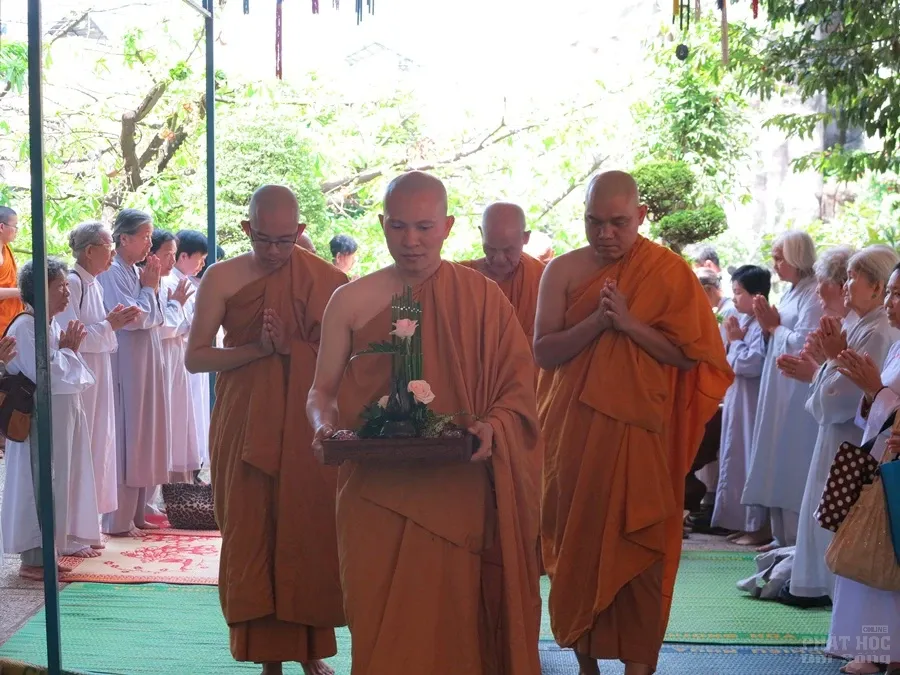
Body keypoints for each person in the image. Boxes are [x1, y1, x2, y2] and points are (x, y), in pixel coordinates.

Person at [307, 171, 542, 675]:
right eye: (398, 226)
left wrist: (493, 427)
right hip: (374, 494)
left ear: (448, 227)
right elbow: (321, 391)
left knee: (451, 633)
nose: (411, 240)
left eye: (424, 227)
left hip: (453, 492)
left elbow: (520, 394)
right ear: (381, 224)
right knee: (381, 633)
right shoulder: (350, 300)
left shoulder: (481, 299)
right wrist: (322, 426)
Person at [533, 171, 732, 675]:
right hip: (574, 435)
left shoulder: (667, 273)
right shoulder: (561, 271)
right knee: (578, 548)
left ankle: (639, 666)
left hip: (642, 437)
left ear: (641, 216)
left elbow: (689, 357)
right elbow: (544, 351)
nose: (605, 234)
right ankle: (586, 667)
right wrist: (597, 322)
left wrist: (627, 323)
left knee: (642, 548)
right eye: (594, 222)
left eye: (618, 223)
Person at [186, 185, 347, 675]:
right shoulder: (222, 277)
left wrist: (291, 347)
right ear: (246, 229)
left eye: (284, 240)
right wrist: (257, 349)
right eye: (263, 239)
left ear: (300, 231)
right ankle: (268, 659)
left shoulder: (325, 280)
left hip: (303, 420)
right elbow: (196, 358)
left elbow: (346, 358)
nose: (275, 251)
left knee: (304, 526)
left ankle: (309, 651)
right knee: (249, 529)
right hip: (243, 418)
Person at [780, 246, 898, 606]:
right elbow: (844, 394)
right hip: (850, 435)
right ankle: (816, 583)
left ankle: (823, 587)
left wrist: (827, 364)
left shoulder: (879, 332)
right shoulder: (863, 326)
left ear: (875, 287)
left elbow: (839, 401)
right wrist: (823, 364)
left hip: (859, 441)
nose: (846, 285)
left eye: (852, 277)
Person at [1, 258, 99, 578]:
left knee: (58, 480)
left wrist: (69, 351)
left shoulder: (49, 323)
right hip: (37, 419)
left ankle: (50, 549)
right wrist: (69, 352)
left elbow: (65, 369)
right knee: (39, 482)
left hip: (59, 415)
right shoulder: (26, 326)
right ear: (39, 290)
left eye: (67, 285)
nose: (67, 292)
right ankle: (34, 559)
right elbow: (46, 374)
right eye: (60, 286)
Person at [831, 264, 900, 675]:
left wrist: (876, 391)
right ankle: (880, 650)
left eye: (899, 294)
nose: (891, 302)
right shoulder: (897, 346)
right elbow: (880, 407)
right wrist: (870, 394)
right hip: (884, 458)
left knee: (889, 555)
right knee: (872, 553)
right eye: (890, 292)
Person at [743, 230, 823, 551]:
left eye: (780, 258)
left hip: (797, 389)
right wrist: (770, 329)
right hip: (778, 386)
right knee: (776, 454)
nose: (775, 264)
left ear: (797, 257)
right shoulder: (792, 292)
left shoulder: (813, 293)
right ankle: (779, 536)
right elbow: (778, 333)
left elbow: (805, 344)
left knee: (792, 455)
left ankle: (794, 541)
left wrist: (774, 327)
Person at [57, 222, 140, 523]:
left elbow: (96, 329)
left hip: (98, 372)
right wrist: (109, 325)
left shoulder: (93, 283)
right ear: (90, 251)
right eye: (108, 247)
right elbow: (69, 335)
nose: (113, 253)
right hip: (80, 376)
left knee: (100, 442)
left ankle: (90, 521)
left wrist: (110, 322)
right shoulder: (73, 283)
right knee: (85, 443)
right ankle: (76, 524)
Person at [97, 209, 168, 537]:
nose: (149, 244)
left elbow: (156, 317)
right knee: (129, 433)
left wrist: (151, 287)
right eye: (145, 237)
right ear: (123, 238)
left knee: (145, 432)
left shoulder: (137, 272)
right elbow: (134, 319)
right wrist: (149, 288)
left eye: (151, 237)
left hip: (146, 360)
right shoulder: (111, 272)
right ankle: (118, 520)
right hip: (126, 363)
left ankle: (138, 513)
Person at [711, 265, 772, 544]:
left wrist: (735, 342)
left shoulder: (762, 325)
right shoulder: (744, 321)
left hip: (752, 401)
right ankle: (740, 522)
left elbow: (752, 363)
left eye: (739, 292)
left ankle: (756, 526)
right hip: (738, 398)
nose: (734, 298)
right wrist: (732, 343)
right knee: (734, 455)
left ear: (756, 295)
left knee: (748, 457)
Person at [459, 202, 545, 349]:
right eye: (490, 249)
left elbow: (548, 345)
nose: (499, 259)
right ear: (481, 234)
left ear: (525, 238)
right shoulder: (460, 277)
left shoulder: (542, 278)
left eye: (508, 250)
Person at [151, 229, 199, 482]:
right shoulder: (163, 283)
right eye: (167, 254)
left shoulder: (169, 282)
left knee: (177, 418)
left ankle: (179, 479)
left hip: (176, 356)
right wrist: (177, 306)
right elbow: (164, 326)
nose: (172, 260)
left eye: (173, 254)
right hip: (161, 356)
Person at [174, 230, 210, 474]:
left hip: (191, 356)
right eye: (200, 258)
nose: (202, 265)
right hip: (179, 357)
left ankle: (193, 468)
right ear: (184, 256)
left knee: (195, 414)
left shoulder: (187, 284)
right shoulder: (171, 282)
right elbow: (173, 324)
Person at [0, 207, 26, 336]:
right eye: (15, 226)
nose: (16, 230)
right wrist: (21, 292)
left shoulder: (6, 249)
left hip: (11, 321)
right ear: (1, 227)